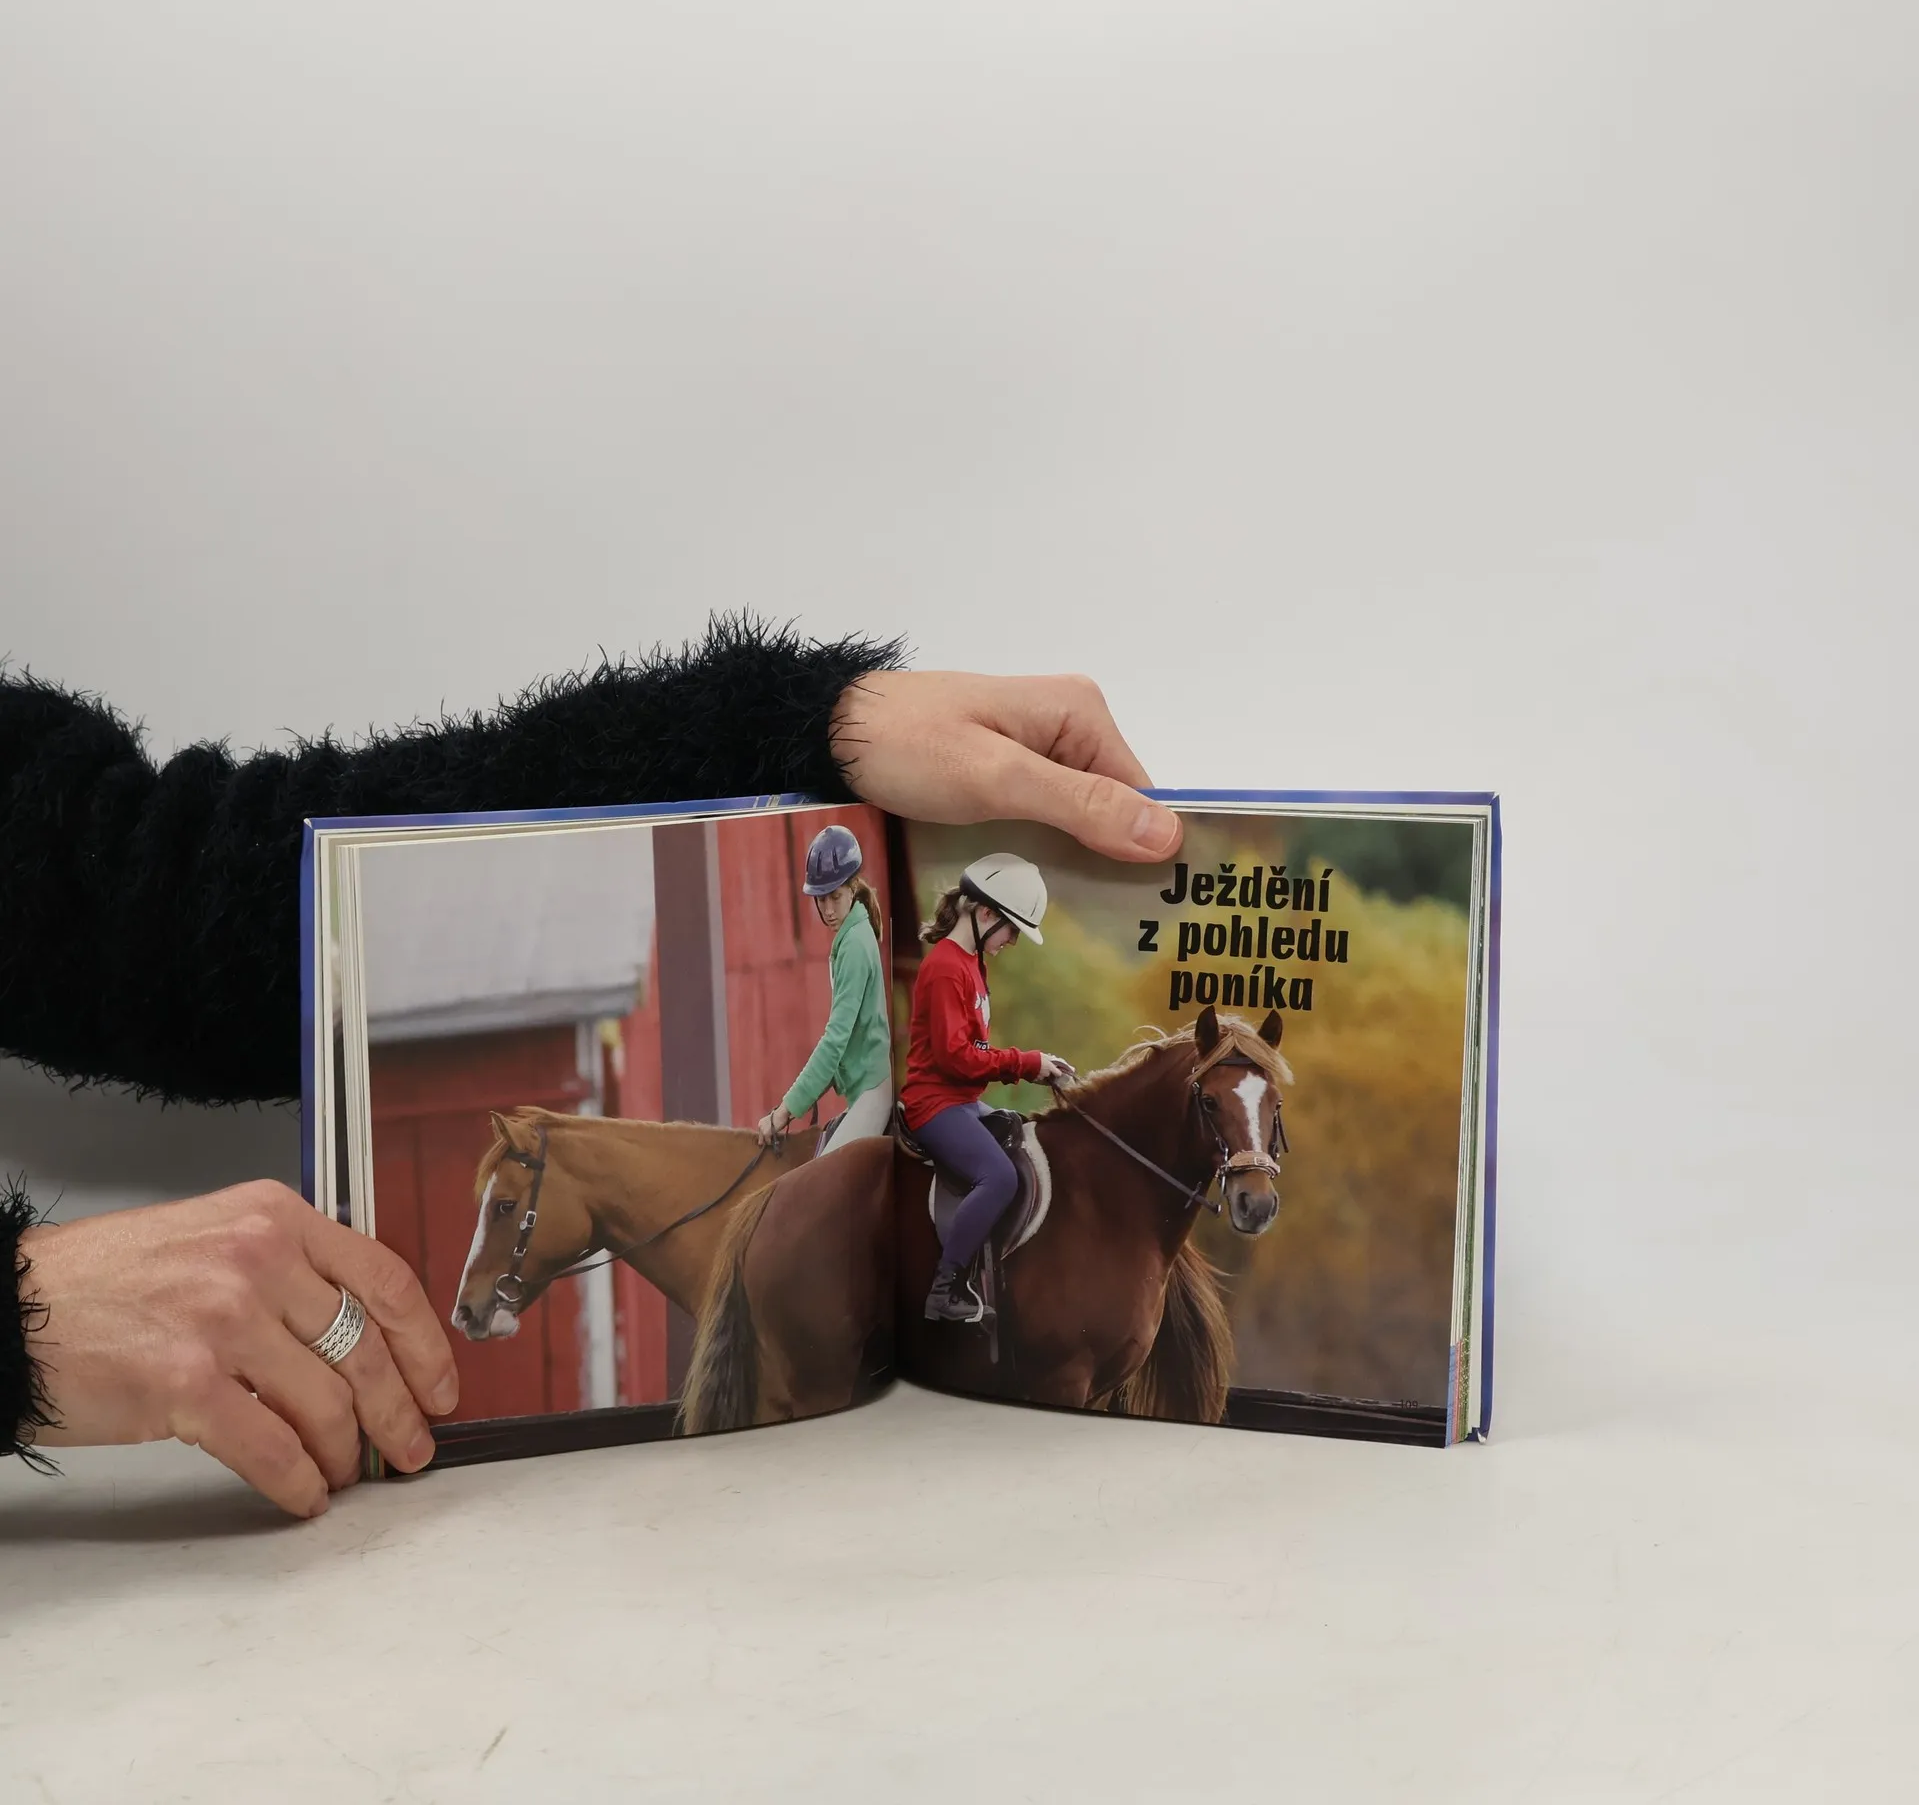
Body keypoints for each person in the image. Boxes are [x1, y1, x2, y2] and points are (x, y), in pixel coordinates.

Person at [1, 622, 1182, 1513]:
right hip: (906, 1092)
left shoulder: (885, 944)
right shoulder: (911, 958)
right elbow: (872, 1048)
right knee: (919, 1176)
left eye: (828, 895)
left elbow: (146, 895)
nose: (825, 908)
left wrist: (804, 728)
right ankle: (951, 1286)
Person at [901, 851, 1074, 1325]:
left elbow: (974, 1051)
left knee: (1024, 1136)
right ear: (983, 913)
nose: (1012, 941)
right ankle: (945, 1288)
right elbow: (956, 1058)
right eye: (1011, 929)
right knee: (1000, 1177)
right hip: (934, 1105)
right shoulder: (945, 967)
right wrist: (1026, 1063)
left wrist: (1037, 1064)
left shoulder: (973, 963)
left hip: (963, 1102)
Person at [755, 824, 892, 1156]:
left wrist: (784, 1111)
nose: (828, 910)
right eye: (821, 899)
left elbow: (835, 1041)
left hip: (872, 1090)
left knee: (827, 1179)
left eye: (835, 897)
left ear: (852, 888)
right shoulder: (851, 936)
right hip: (863, 1090)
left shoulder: (854, 945)